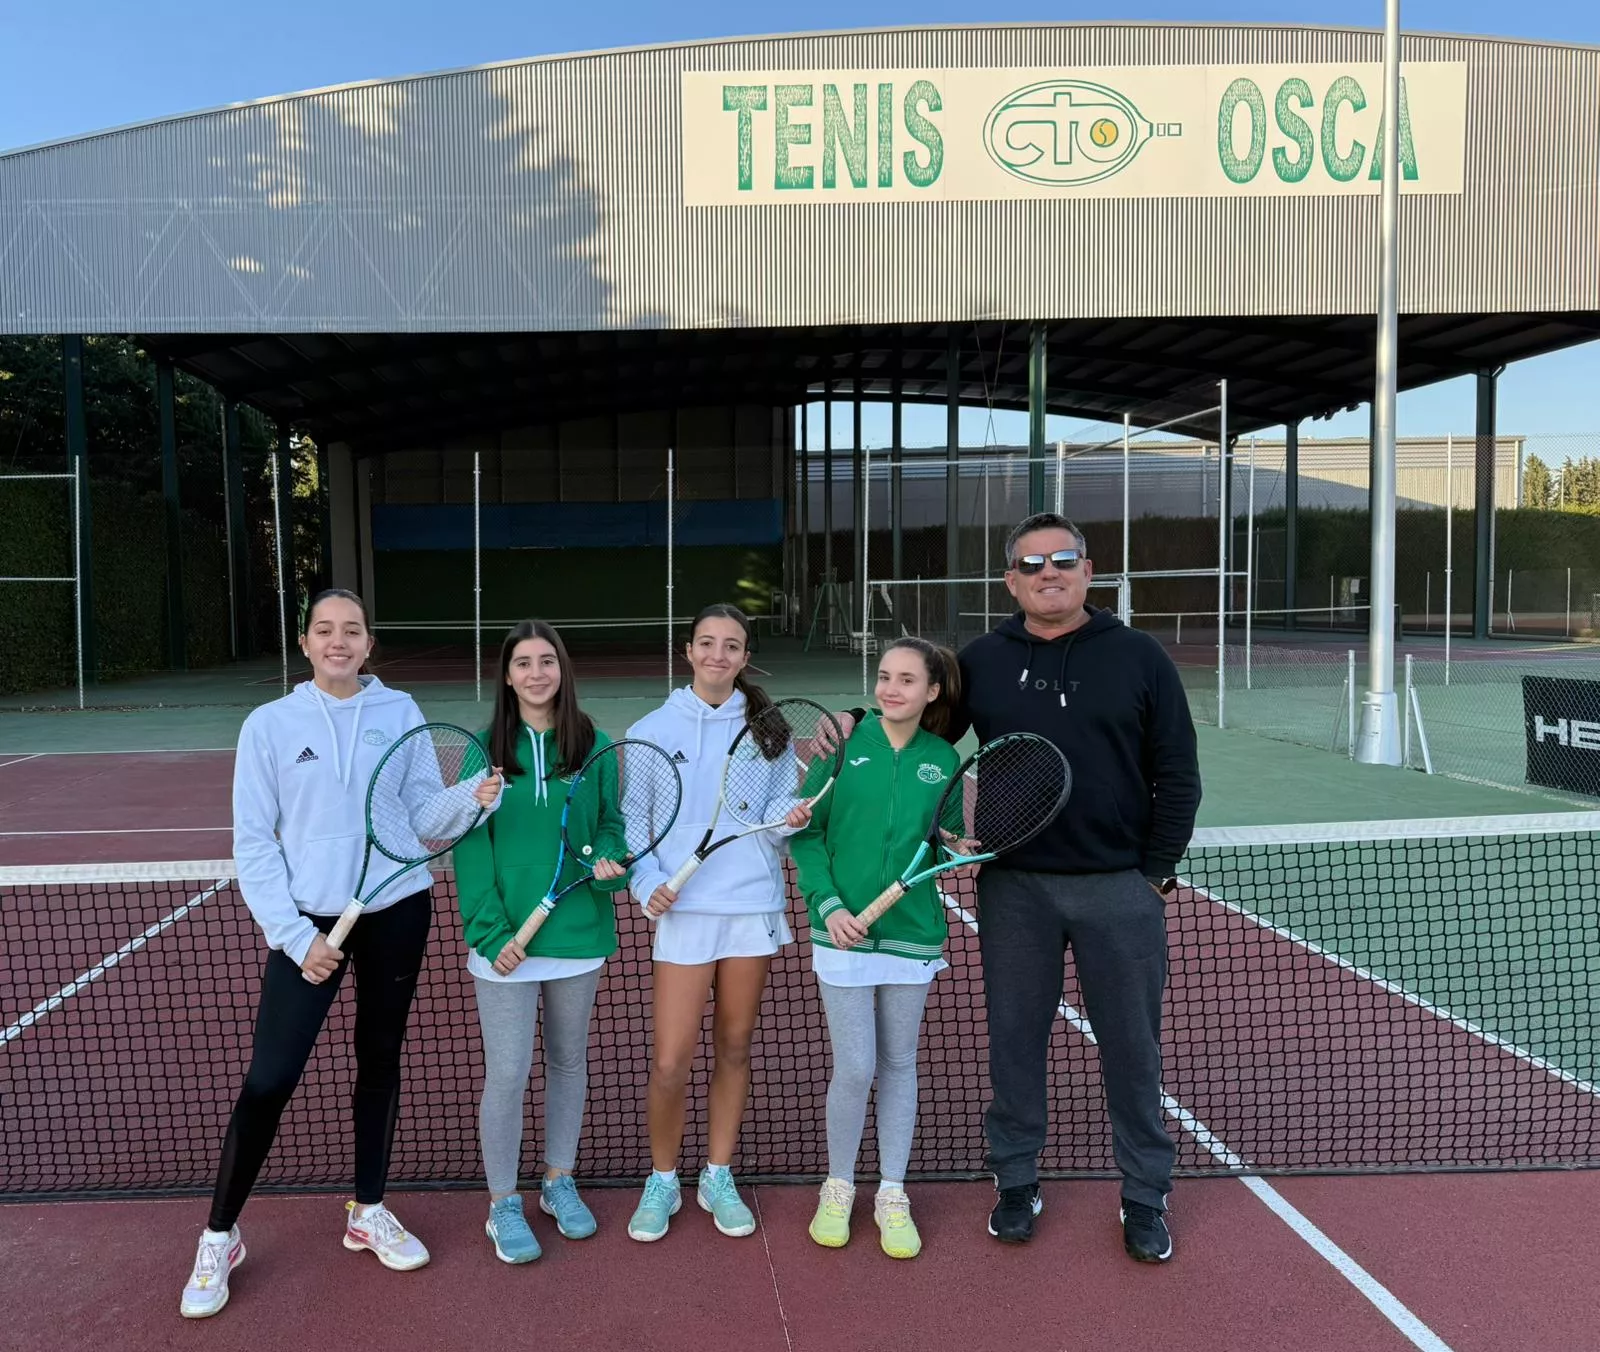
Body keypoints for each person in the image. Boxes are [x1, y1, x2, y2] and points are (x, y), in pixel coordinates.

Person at [180, 589, 502, 1319]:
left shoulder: (401, 713)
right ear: (305, 642)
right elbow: (255, 842)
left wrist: (473, 799)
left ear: (368, 643)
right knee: (270, 1078)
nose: (338, 641)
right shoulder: (269, 725)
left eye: (351, 630)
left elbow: (421, 818)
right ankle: (220, 1235)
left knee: (379, 1064)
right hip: (308, 921)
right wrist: (298, 937)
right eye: (325, 630)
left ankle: (368, 1209)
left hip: (396, 908)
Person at [953, 512, 1200, 1262]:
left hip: (1118, 890)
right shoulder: (980, 659)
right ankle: (1017, 1182)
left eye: (1062, 559)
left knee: (1133, 1050)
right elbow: (919, 744)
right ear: (1011, 581)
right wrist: (857, 725)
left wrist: (1154, 873)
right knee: (1015, 1046)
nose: (1047, 572)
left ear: (1089, 571)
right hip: (1015, 890)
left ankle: (1144, 1195)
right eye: (1031, 564)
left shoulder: (1140, 656)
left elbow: (1178, 773)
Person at [621, 603, 810, 1242]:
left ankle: (718, 1173)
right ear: (689, 650)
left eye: (731, 646)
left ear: (745, 656)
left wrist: (791, 820)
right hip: (686, 915)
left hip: (750, 908)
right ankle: (663, 1178)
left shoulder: (770, 731)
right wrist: (648, 883)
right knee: (671, 1060)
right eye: (707, 643)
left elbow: (779, 810)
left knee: (733, 1047)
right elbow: (636, 824)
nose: (718, 656)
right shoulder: (652, 728)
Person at [453, 620, 630, 1263]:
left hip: (578, 934)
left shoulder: (596, 744)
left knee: (567, 1060)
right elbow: (470, 849)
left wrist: (612, 863)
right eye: (523, 662)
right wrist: (493, 932)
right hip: (505, 945)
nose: (536, 673)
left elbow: (611, 827)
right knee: (507, 1071)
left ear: (563, 670)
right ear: (507, 674)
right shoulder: (484, 750)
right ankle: (504, 1201)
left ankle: (558, 1179)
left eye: (546, 661)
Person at [790, 637, 963, 1259]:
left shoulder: (944, 760)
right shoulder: (840, 749)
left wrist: (954, 847)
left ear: (932, 692)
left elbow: (941, 845)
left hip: (912, 936)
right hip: (843, 934)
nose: (891, 689)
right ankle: (838, 1185)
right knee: (856, 1066)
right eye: (884, 676)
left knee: (899, 1064)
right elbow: (806, 835)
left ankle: (892, 1191)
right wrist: (829, 906)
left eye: (907, 680)